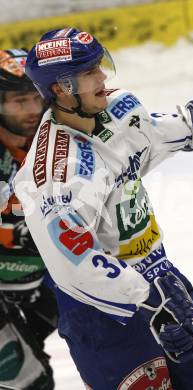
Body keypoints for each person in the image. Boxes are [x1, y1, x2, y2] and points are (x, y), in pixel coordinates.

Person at [14, 28, 193, 390]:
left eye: (99, 65)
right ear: (61, 89)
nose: (102, 76)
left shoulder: (117, 107)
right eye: (89, 73)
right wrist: (149, 302)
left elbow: (142, 139)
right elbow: (76, 264)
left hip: (158, 277)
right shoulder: (56, 175)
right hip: (104, 312)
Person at [0, 49, 57, 390]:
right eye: (19, 102)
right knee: (26, 380)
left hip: (34, 280)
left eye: (37, 99)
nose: (33, 111)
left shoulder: (57, 136)